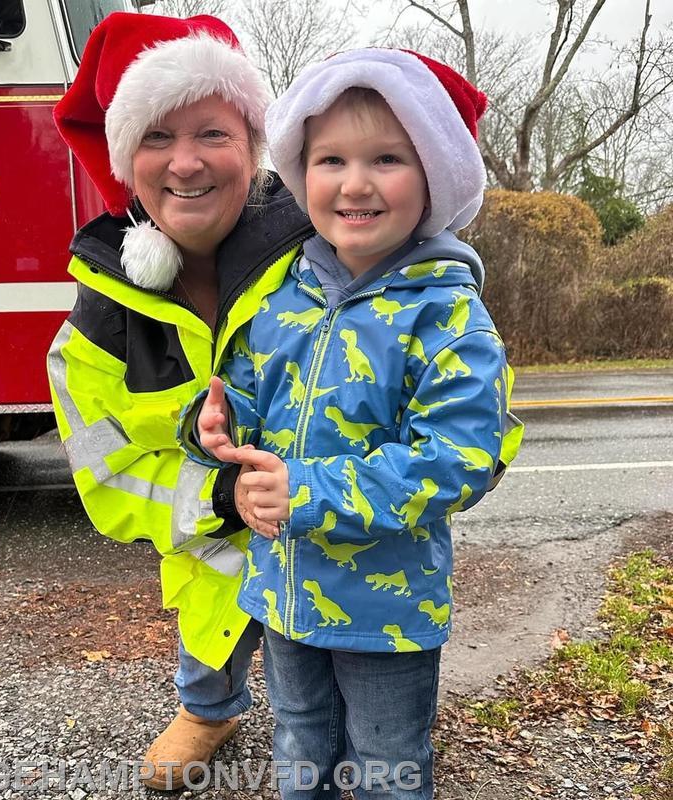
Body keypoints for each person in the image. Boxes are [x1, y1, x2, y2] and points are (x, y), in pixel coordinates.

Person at [180, 48, 523, 799]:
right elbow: (243, 397)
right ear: (305, 176)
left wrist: (305, 493)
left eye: (388, 158)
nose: (356, 182)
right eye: (331, 158)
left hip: (386, 610)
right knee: (300, 740)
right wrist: (212, 423)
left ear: (436, 175)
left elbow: (456, 461)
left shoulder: (450, 316)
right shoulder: (285, 296)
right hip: (282, 592)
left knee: (386, 763)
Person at [47, 12, 312, 791]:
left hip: (328, 539)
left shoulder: (330, 254)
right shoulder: (96, 315)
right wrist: (223, 495)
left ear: (256, 149)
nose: (185, 162)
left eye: (213, 134)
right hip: (208, 543)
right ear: (126, 161)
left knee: (340, 704)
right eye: (156, 138)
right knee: (210, 614)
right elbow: (104, 474)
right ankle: (209, 706)